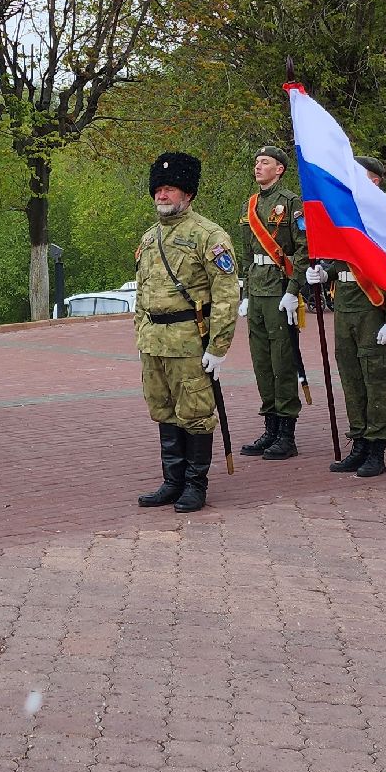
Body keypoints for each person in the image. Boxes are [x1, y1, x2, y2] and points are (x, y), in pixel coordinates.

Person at [131, 152, 240, 513]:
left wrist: (218, 347)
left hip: (190, 341)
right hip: (154, 342)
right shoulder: (149, 238)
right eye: (158, 189)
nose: (161, 195)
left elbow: (226, 294)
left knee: (195, 412)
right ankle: (172, 481)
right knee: (163, 411)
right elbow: (142, 293)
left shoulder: (209, 235)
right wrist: (141, 333)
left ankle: (195, 484)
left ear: (188, 193)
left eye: (170, 188)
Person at [322, 156, 386, 475]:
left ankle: (377, 448)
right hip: (345, 305)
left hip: (373, 307)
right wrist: (325, 272)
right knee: (351, 376)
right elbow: (342, 259)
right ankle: (359, 441)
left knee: (375, 377)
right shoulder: (345, 213)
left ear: (375, 181)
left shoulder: (385, 217)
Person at [234, 147, 305, 459]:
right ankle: (271, 427)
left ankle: (287, 434)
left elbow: (303, 249)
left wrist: (293, 289)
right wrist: (246, 293)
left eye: (265, 162)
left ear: (279, 169)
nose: (258, 166)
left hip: (279, 288)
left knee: (282, 361)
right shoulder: (250, 205)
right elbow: (246, 254)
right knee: (262, 362)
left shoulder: (291, 203)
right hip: (257, 290)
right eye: (256, 162)